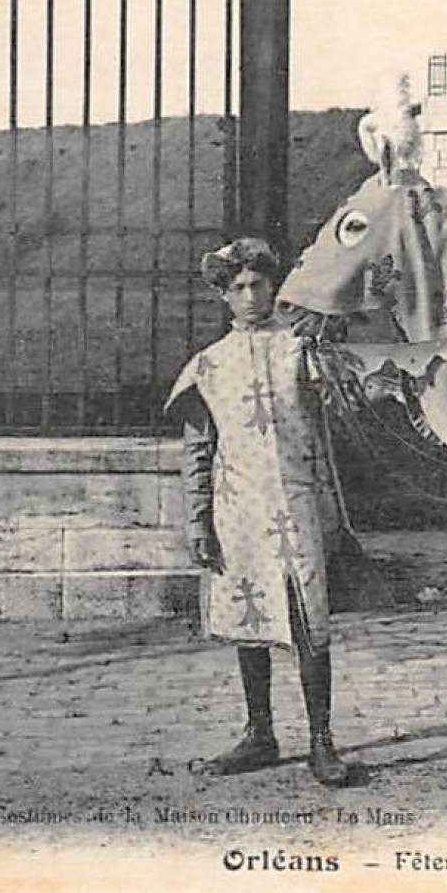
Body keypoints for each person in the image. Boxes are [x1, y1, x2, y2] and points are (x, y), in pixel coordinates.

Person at [165, 237, 349, 786]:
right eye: (237, 287)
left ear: (273, 285)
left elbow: (333, 413)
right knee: (251, 618)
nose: (249, 296)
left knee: (306, 620)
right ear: (223, 295)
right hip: (238, 508)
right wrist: (198, 518)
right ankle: (260, 734)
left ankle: (322, 742)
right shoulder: (208, 366)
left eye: (258, 284)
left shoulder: (301, 350)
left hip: (297, 503)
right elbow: (198, 448)